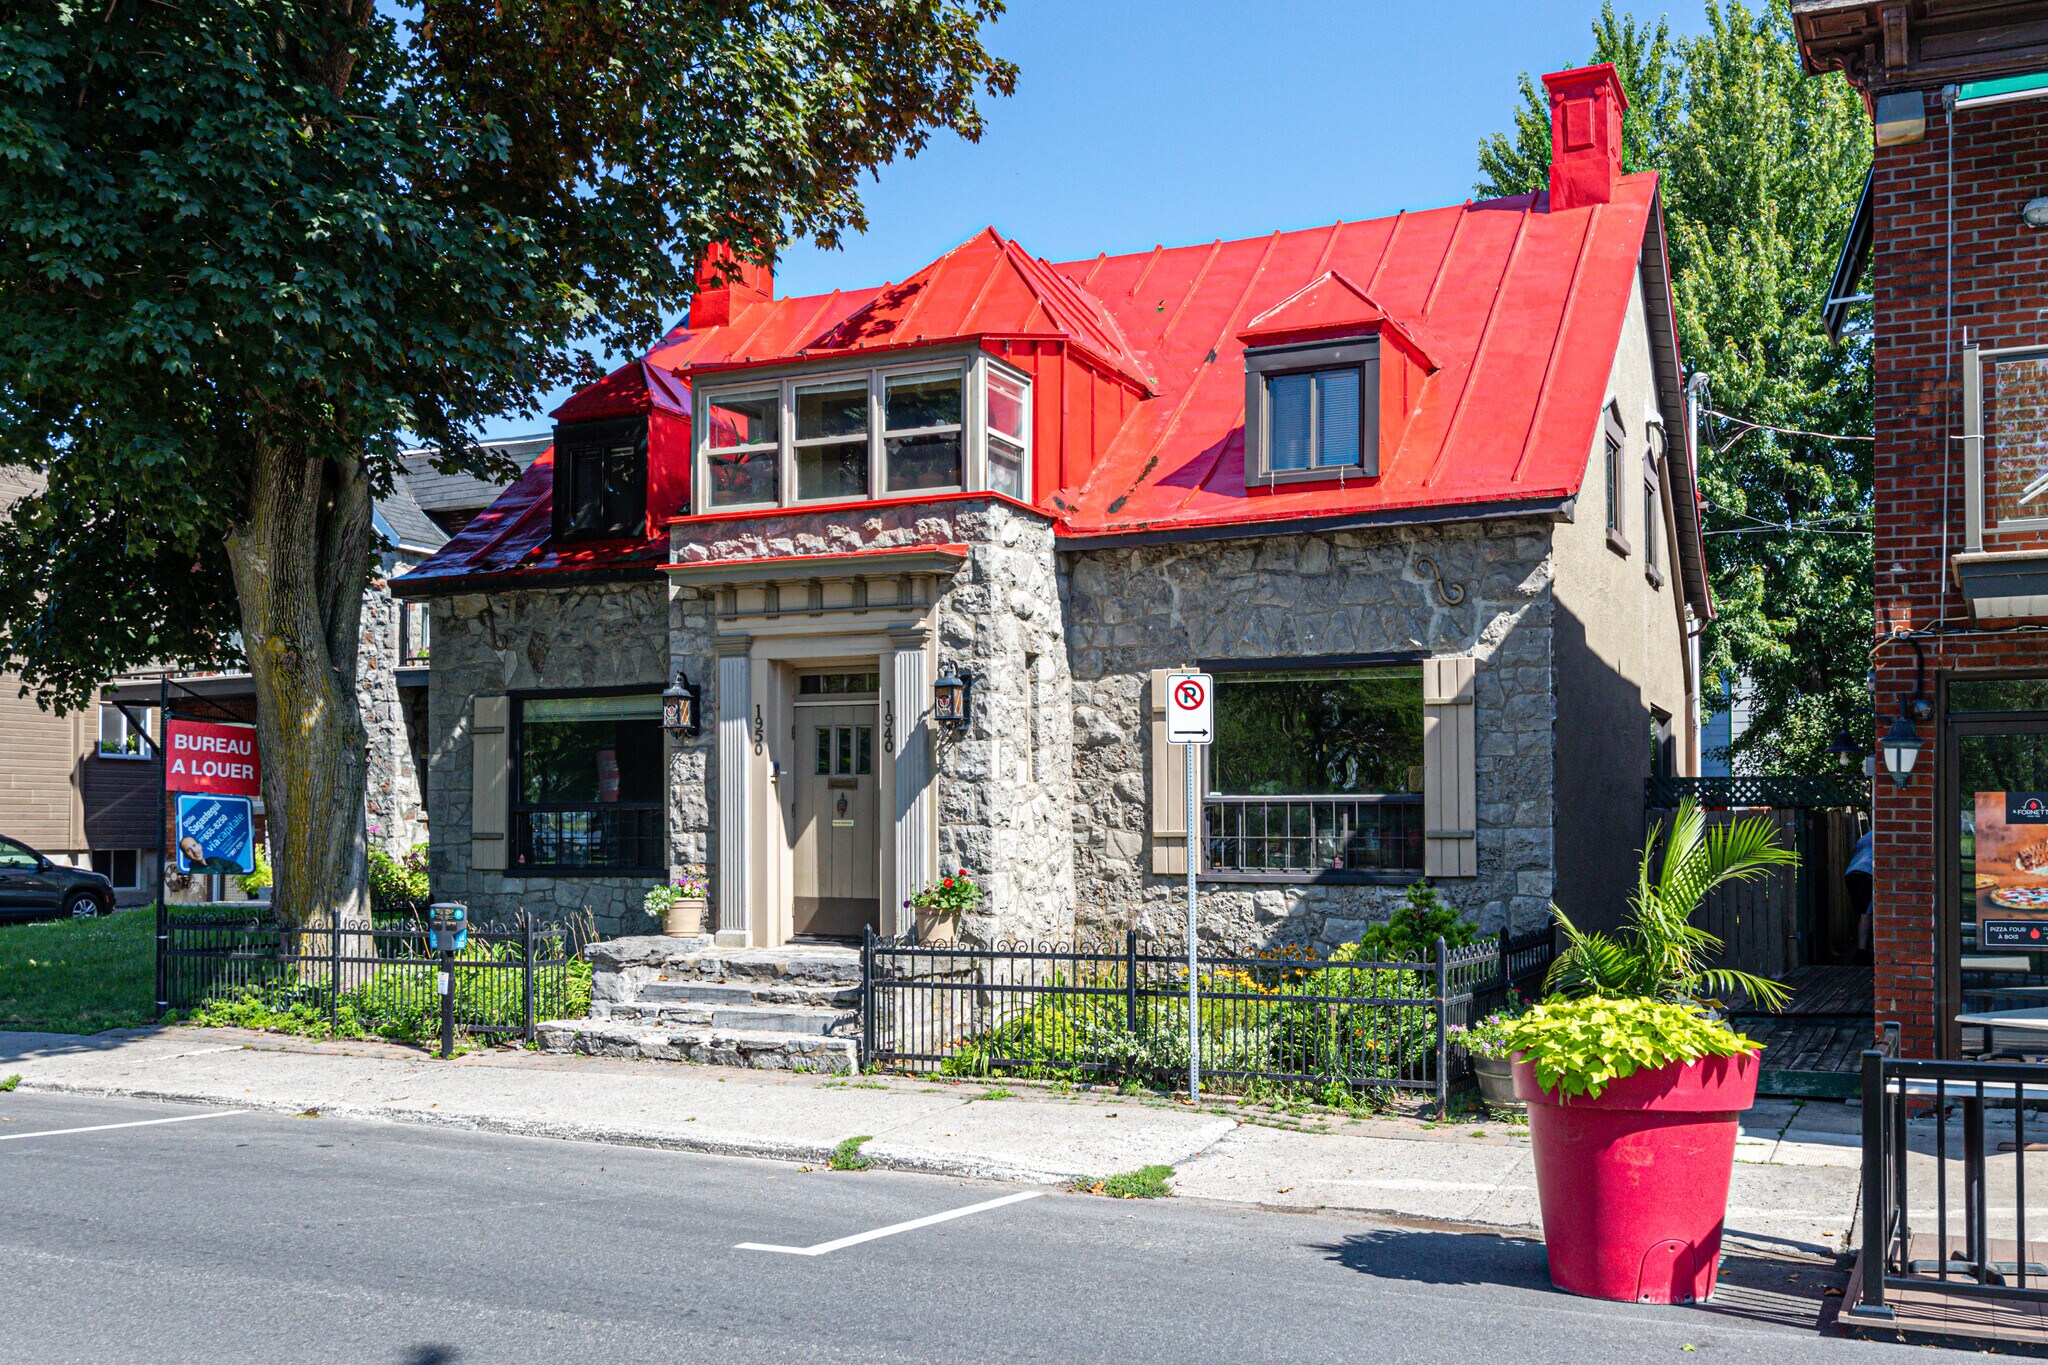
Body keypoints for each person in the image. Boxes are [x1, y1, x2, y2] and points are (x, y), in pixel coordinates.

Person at [1846, 823, 1874, 963]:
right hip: (1867, 873)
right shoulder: (1882, 837)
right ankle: (1862, 953)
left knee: (1860, 911)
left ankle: (1860, 948)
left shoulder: (1864, 838)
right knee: (1867, 912)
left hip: (1851, 873)